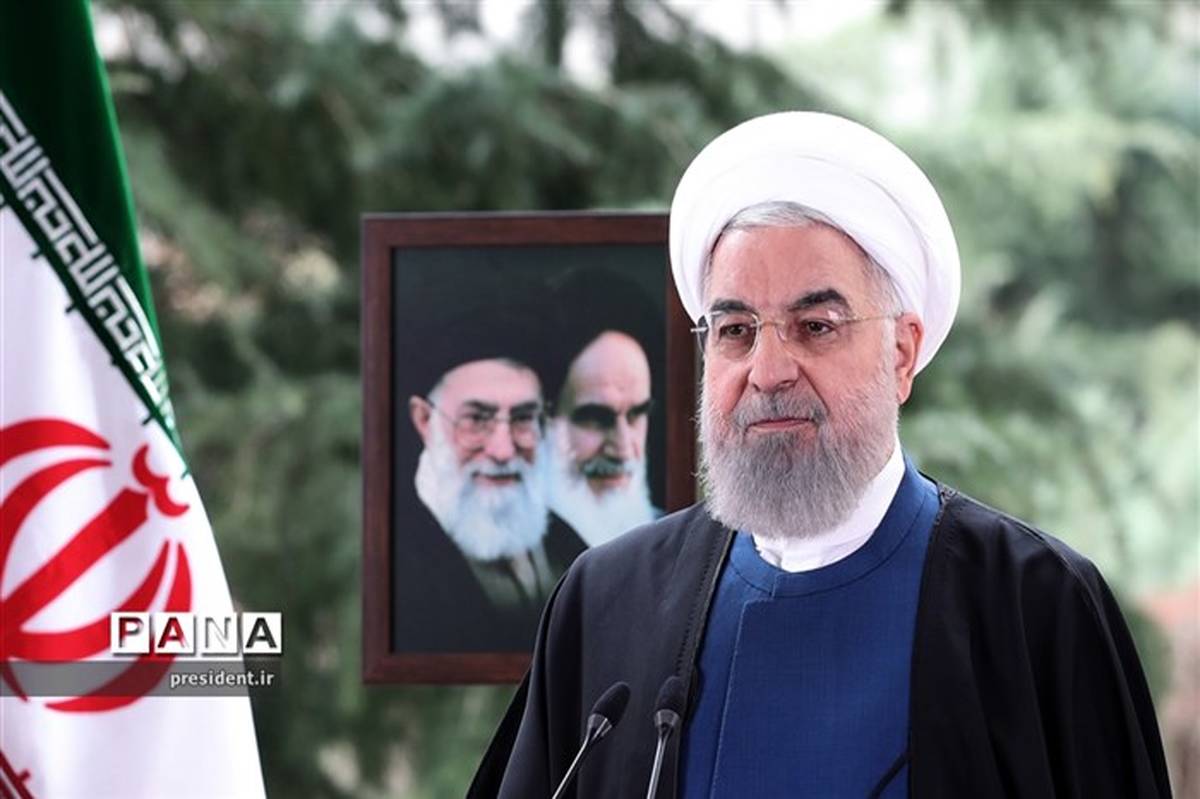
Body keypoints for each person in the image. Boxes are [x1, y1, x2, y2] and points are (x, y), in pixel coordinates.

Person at [470, 112, 1171, 797]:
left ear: (901, 353)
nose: (768, 371)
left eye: (815, 326)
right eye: (736, 330)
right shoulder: (606, 602)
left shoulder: (1033, 605)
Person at [393, 292, 585, 654]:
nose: (503, 450)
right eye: (477, 419)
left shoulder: (571, 550)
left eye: (523, 418)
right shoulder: (396, 566)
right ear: (424, 420)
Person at [544, 269, 664, 547]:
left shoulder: (677, 546)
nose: (623, 448)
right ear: (544, 419)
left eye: (636, 414)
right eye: (597, 418)